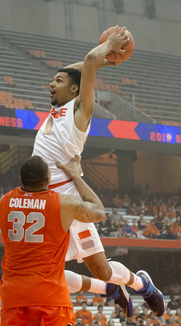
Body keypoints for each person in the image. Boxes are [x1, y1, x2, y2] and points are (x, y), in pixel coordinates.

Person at [31, 26, 165, 318]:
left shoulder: (80, 112)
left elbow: (88, 64)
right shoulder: (55, 111)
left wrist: (107, 49)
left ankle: (143, 285)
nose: (51, 85)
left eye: (58, 81)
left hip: (70, 203)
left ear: (75, 90)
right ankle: (111, 290)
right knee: (43, 274)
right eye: (52, 80)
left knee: (103, 270)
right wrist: (108, 60)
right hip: (46, 205)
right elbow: (83, 66)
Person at [0, 155, 105, 325]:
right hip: (50, 295)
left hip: (13, 295)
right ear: (48, 179)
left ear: (20, 179)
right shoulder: (63, 204)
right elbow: (99, 212)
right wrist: (76, 175)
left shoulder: (3, 202)